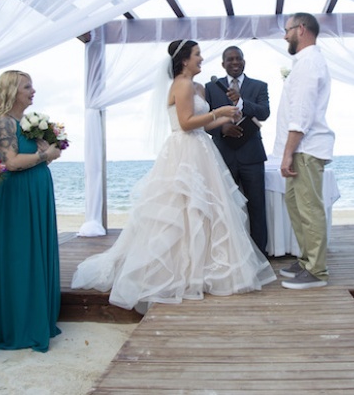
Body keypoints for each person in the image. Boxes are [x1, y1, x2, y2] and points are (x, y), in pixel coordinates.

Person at [72, 40, 276, 311]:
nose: (201, 59)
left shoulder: (195, 86)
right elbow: (185, 123)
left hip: (201, 148)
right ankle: (179, 271)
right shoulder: (181, 84)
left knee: (204, 210)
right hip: (184, 151)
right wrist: (219, 111)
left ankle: (201, 269)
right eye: (197, 55)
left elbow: (204, 124)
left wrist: (225, 119)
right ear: (184, 60)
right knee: (181, 209)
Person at [0, 70, 63, 352]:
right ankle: (20, 324)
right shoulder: (4, 122)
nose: (33, 91)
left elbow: (33, 156)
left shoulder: (27, 122)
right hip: (19, 194)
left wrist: (46, 150)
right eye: (26, 87)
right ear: (11, 91)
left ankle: (39, 317)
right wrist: (45, 155)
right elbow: (11, 161)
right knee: (21, 255)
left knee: (37, 252)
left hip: (38, 189)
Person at [276, 13, 336, 290]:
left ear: (301, 29)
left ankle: (316, 271)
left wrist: (288, 153)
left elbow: (302, 112)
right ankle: (305, 260)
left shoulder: (309, 62)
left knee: (309, 208)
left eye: (287, 30)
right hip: (301, 147)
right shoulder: (304, 62)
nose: (284, 35)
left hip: (306, 148)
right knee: (295, 204)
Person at [205, 46, 271, 254]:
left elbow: (264, 113)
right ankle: (230, 254)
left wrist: (241, 102)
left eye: (238, 59)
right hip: (223, 155)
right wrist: (221, 128)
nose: (235, 62)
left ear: (244, 62)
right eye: (230, 59)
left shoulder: (259, 86)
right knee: (225, 207)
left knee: (257, 207)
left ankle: (259, 255)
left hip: (252, 156)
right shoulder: (210, 87)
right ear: (222, 64)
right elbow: (205, 118)